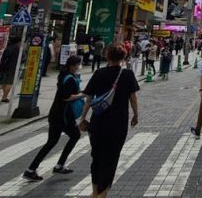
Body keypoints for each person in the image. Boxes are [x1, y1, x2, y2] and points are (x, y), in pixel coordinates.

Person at [78, 46, 139, 198]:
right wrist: (136, 115)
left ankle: (94, 192)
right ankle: (102, 194)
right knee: (111, 158)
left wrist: (82, 117)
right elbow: (133, 98)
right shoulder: (127, 74)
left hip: (98, 122)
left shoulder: (99, 73)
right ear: (123, 58)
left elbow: (89, 98)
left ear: (107, 56)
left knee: (97, 157)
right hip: (118, 123)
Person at [24, 55, 87, 181]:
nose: (78, 67)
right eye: (77, 65)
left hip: (57, 114)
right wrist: (83, 95)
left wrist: (83, 92)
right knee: (73, 136)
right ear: (72, 65)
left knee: (52, 141)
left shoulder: (64, 75)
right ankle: (58, 165)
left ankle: (32, 169)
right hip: (63, 116)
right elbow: (66, 97)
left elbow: (69, 94)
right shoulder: (69, 79)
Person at [0, 35, 21, 103]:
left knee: (4, 82)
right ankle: (4, 97)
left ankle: (4, 95)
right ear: (19, 42)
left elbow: (3, 58)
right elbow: (22, 58)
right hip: (12, 68)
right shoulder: (18, 49)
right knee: (9, 82)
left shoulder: (8, 47)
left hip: (3, 67)